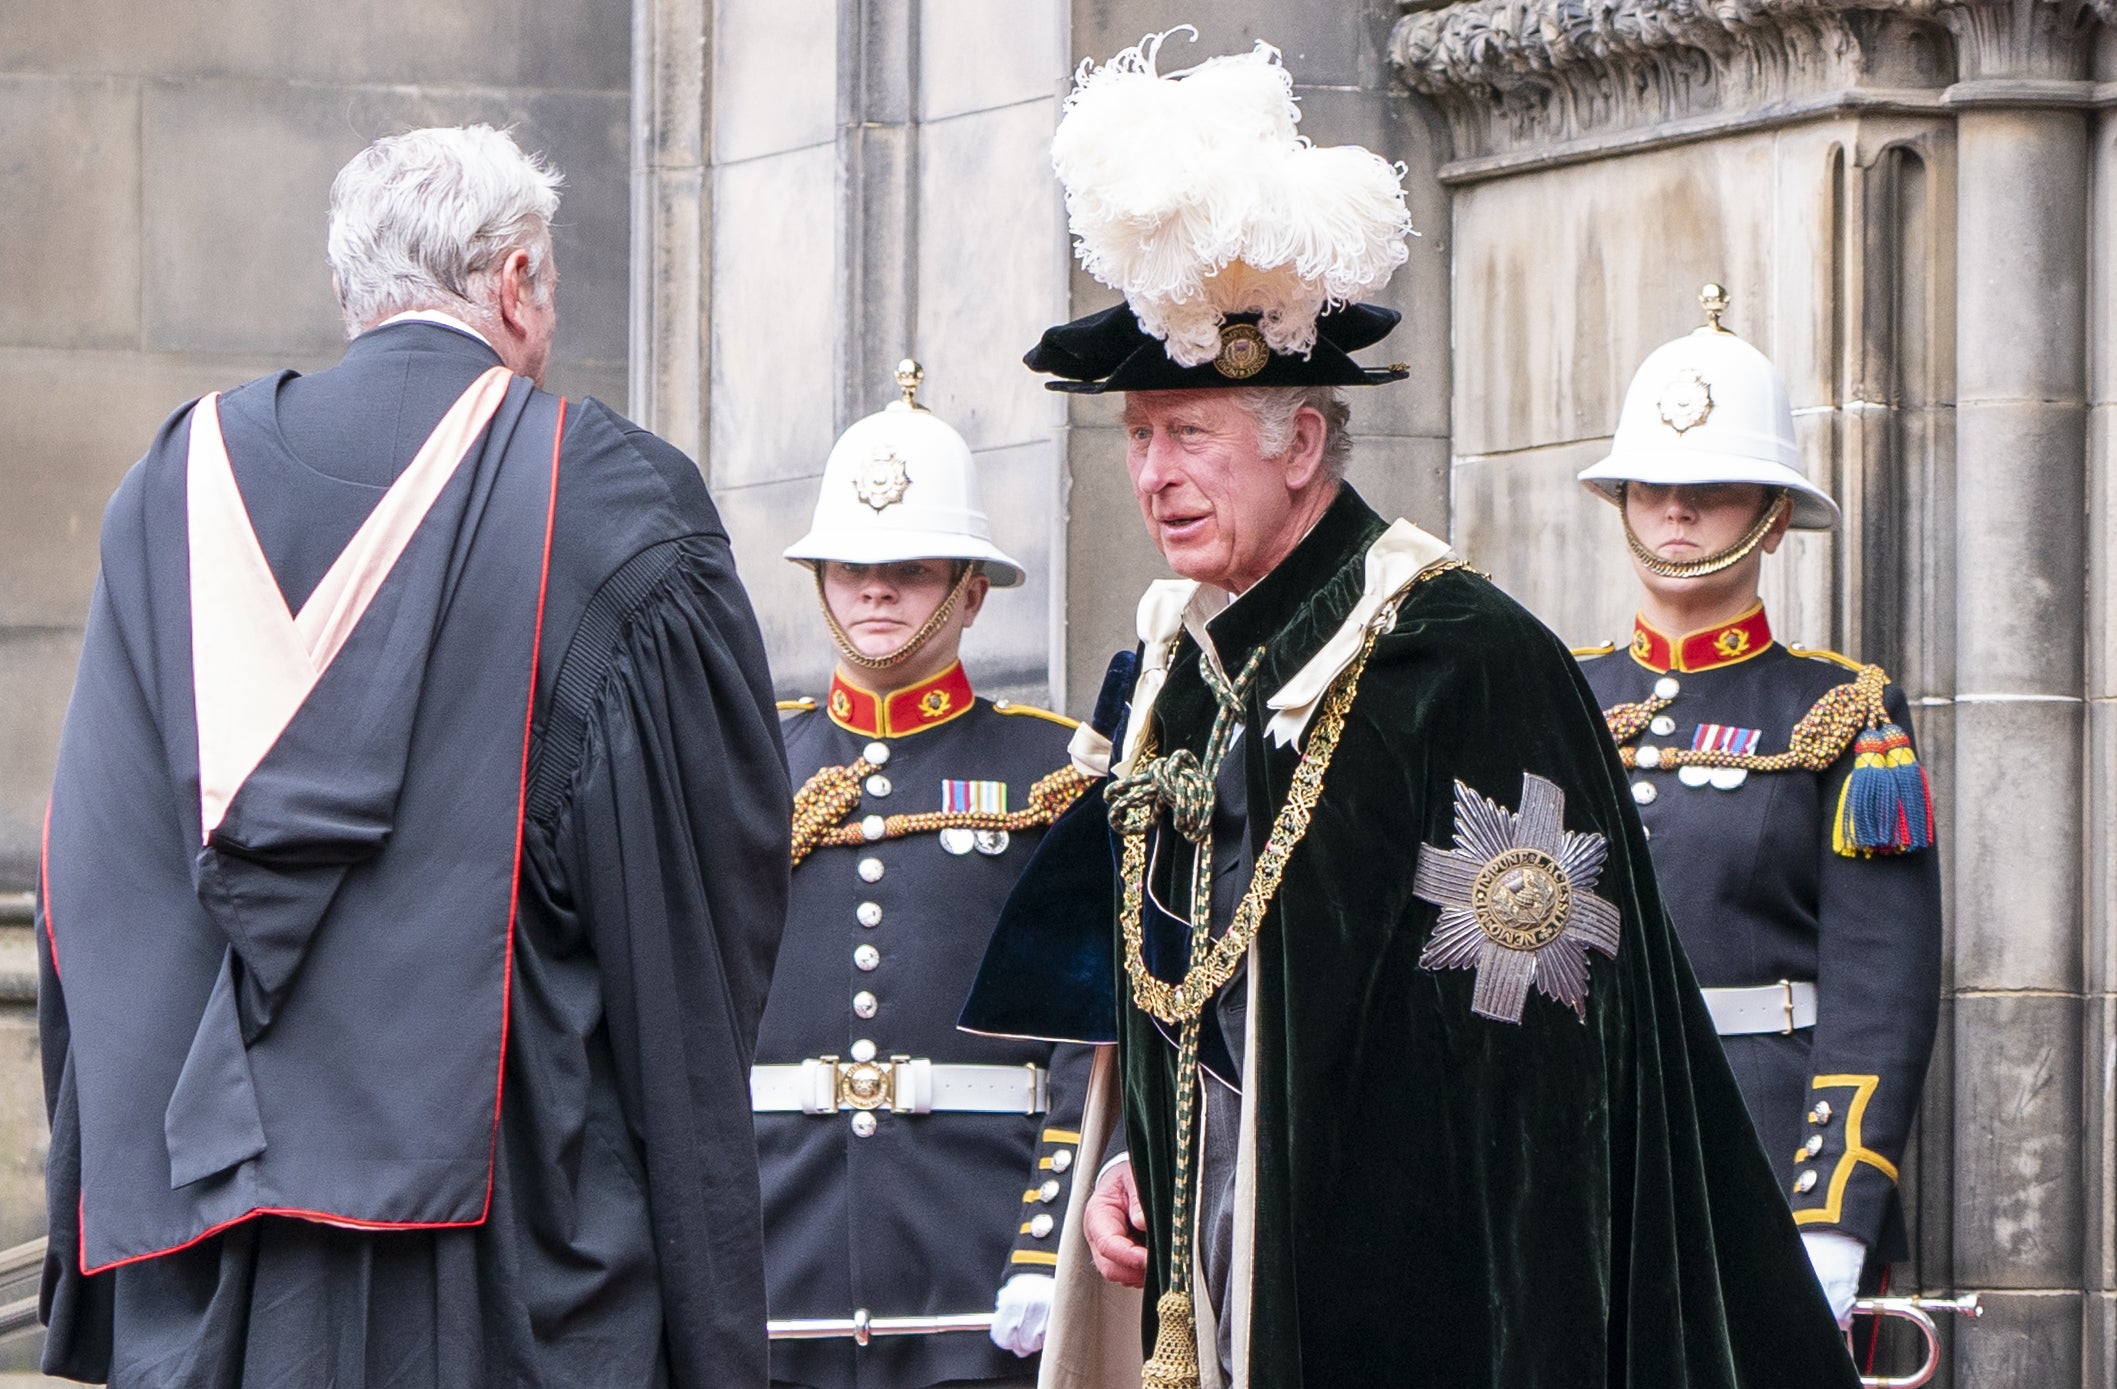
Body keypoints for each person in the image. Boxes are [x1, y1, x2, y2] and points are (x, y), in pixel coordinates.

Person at [961, 33, 1862, 1387]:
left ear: (1304, 444)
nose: (1154, 474)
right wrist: (1133, 1161)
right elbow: (1163, 986)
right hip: (1198, 1276)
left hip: (1402, 1295)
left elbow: (1542, 1072)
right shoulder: (1171, 666)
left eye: (1189, 433)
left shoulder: (1459, 658)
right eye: (1140, 435)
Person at [34, 125, 790, 1388]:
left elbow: (88, 884)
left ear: (349, 293)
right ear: (515, 285)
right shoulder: (602, 497)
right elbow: (691, 923)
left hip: (213, 1276)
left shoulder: (168, 488)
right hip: (507, 1277)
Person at [1572, 287, 1943, 1330]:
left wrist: (1830, 1217)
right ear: (1623, 503)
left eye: (1712, 489)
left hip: (1764, 1139)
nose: (1676, 513)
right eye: (1652, 487)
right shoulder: (1556, 697)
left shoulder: (1840, 711)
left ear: (1771, 516)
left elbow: (1879, 990)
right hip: (1582, 1141)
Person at [755, 361, 1096, 1389]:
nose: (872, 588)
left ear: (971, 588)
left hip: (973, 1257)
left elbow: (1084, 1043)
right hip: (779, 1256)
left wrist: (1045, 1248)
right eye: (850, 565)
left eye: (908, 567)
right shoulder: (748, 771)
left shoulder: (1054, 771)